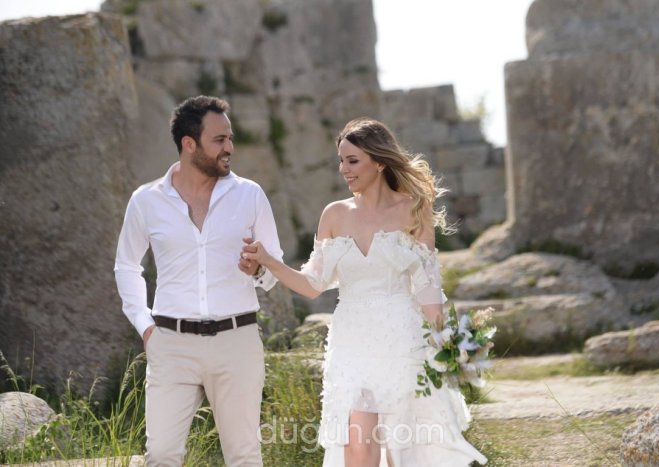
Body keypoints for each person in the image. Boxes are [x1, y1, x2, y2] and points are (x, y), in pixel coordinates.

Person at [241, 118, 487, 466]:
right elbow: (313, 284)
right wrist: (268, 261)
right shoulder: (334, 214)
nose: (344, 169)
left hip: (402, 339)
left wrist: (447, 344)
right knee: (358, 445)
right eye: (341, 161)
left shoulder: (413, 210)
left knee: (402, 447)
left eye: (352, 160)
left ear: (380, 162)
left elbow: (427, 287)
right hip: (351, 343)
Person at [114, 95, 283, 466]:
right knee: (161, 455)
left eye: (230, 138)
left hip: (237, 341)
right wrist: (144, 325)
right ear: (189, 144)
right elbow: (126, 265)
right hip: (170, 343)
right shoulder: (146, 200)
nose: (230, 148)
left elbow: (275, 268)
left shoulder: (249, 195)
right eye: (219, 140)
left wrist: (258, 269)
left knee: (244, 455)